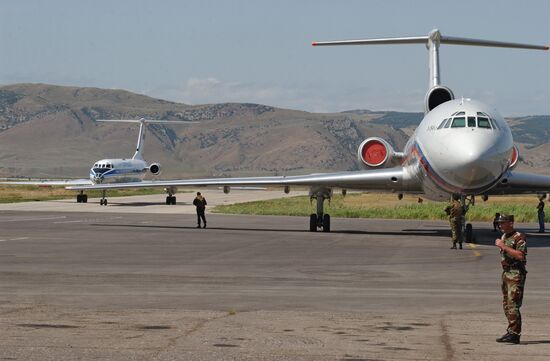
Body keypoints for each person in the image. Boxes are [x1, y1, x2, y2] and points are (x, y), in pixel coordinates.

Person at [494, 214, 527, 344]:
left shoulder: (519, 237)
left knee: (513, 303)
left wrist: (504, 246)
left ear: (511, 223)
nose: (500, 225)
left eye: (503, 223)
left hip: (516, 273)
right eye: (499, 223)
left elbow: (520, 255)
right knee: (506, 304)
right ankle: (511, 331)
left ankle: (515, 334)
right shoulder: (504, 236)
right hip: (506, 273)